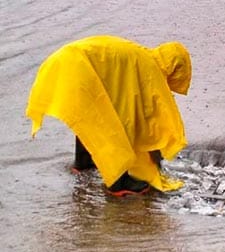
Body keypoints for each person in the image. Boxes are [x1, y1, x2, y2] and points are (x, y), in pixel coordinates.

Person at [25, 35, 192, 196]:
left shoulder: (139, 56)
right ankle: (118, 183)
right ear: (175, 67)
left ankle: (83, 164)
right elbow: (138, 119)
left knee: (89, 117)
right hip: (77, 69)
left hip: (60, 63)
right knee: (109, 124)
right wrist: (154, 158)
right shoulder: (149, 68)